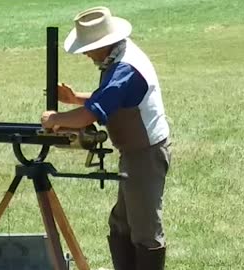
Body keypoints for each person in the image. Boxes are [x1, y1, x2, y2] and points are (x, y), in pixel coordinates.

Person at [41, 6, 171, 270]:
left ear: (105, 43)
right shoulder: (118, 58)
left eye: (88, 48)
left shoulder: (125, 69)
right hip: (135, 153)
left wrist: (56, 119)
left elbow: (91, 114)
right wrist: (75, 98)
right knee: (121, 224)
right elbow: (110, 100)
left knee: (145, 230)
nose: (87, 54)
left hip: (146, 154)